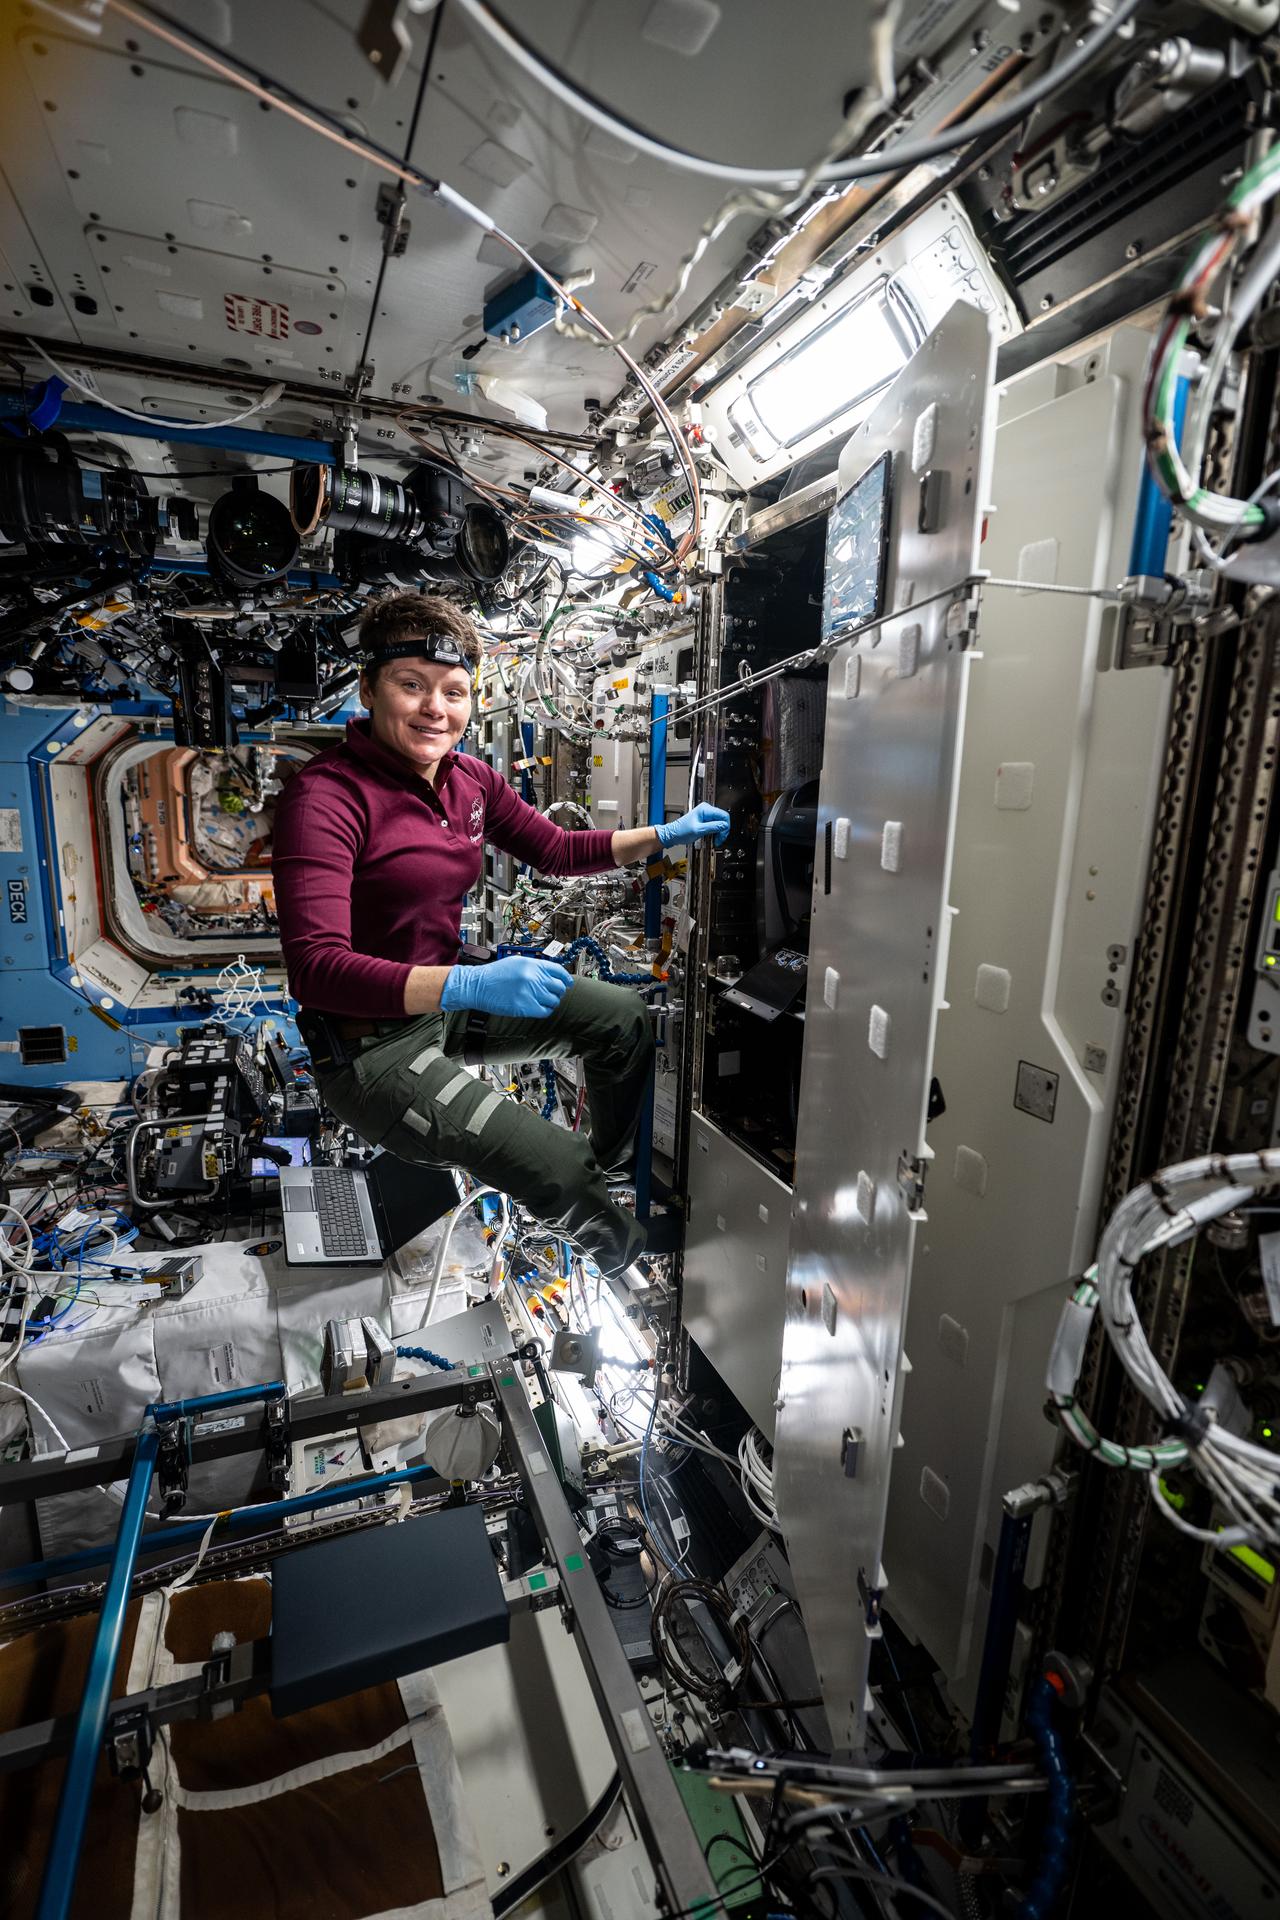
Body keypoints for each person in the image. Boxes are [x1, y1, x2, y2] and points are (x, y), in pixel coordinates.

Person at [271, 591, 729, 1276]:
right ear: (368, 688)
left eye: (454, 692)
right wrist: (468, 982)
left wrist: (666, 834)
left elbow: (558, 851)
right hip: (371, 1053)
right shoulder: (327, 799)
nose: (435, 709)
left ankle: (608, 1170)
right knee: (556, 1171)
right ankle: (639, 1259)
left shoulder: (470, 781)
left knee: (623, 1020)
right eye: (411, 686)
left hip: (444, 1009)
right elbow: (316, 969)